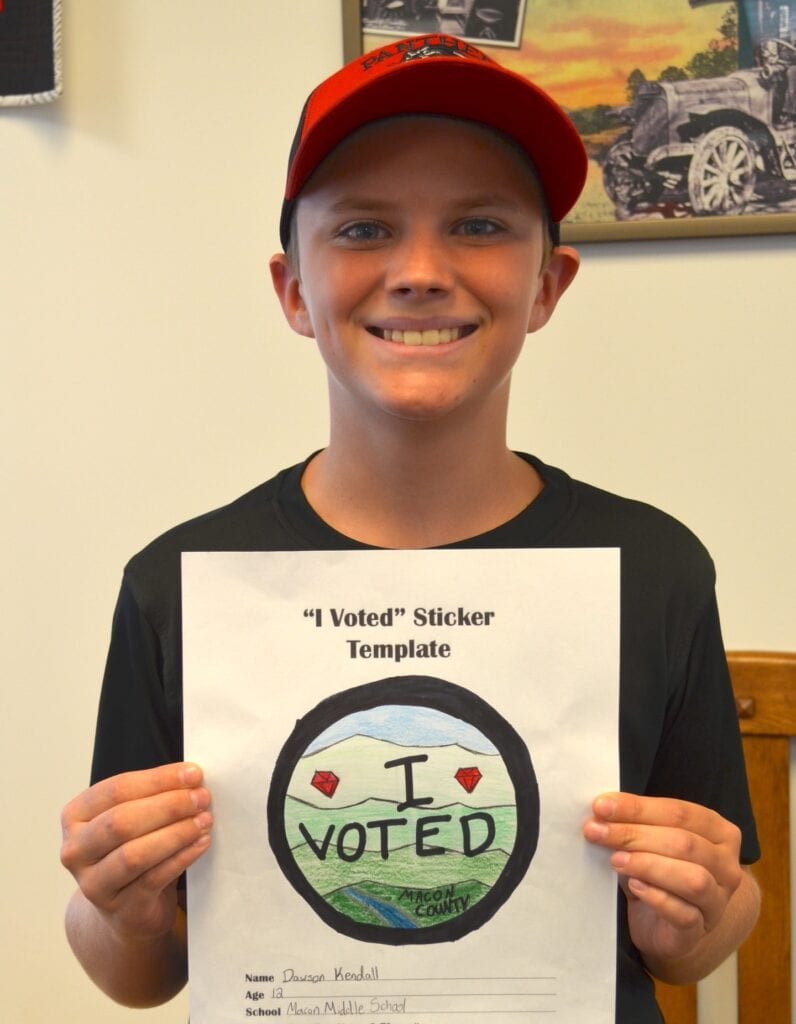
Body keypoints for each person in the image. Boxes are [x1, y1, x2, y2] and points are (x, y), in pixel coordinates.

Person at [60, 33, 761, 1022]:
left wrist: (696, 915)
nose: (421, 270)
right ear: (294, 290)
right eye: (361, 230)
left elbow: (716, 921)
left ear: (548, 285)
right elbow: (141, 972)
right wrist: (116, 903)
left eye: (478, 225)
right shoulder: (179, 583)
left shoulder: (653, 569)